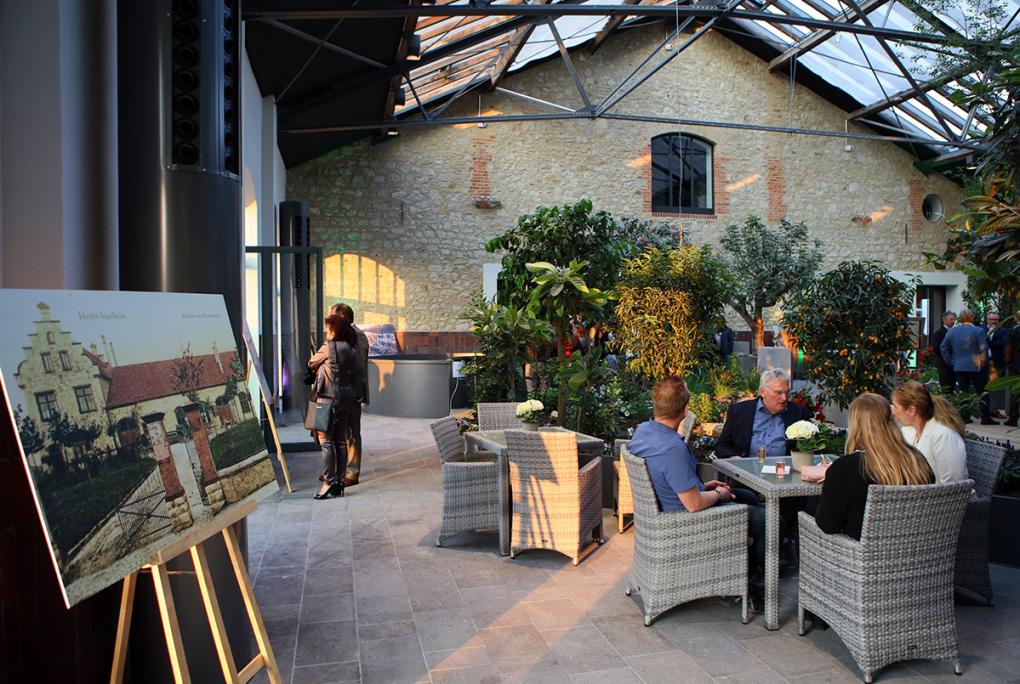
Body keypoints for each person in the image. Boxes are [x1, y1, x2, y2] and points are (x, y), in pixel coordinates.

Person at [628, 377, 766, 597]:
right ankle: (755, 581)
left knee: (746, 496)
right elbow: (693, 504)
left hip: (664, 509)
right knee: (768, 521)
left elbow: (669, 478)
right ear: (685, 409)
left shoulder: (644, 431)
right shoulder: (672, 448)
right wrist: (718, 494)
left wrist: (704, 486)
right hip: (684, 521)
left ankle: (744, 569)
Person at [814, 393, 934, 540]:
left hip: (860, 552)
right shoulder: (917, 460)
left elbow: (828, 525)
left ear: (855, 425)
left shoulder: (846, 468)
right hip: (917, 548)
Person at [308, 313, 362, 500]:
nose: (327, 332)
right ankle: (339, 482)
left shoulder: (328, 347)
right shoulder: (351, 348)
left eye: (329, 329)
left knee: (326, 441)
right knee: (340, 441)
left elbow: (311, 363)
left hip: (328, 397)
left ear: (334, 330)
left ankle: (328, 482)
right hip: (346, 398)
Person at [715, 368, 811, 458]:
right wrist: (734, 459)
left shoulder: (798, 413)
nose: (784, 398)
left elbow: (809, 447)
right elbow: (721, 446)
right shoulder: (739, 411)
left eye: (787, 392)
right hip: (746, 468)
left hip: (783, 468)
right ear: (762, 392)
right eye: (778, 393)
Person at [890, 381, 968, 483]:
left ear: (911, 410)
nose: (892, 411)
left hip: (943, 493)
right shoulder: (908, 430)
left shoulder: (943, 436)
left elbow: (953, 484)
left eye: (895, 406)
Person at [332, 303, 370, 487]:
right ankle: (339, 470)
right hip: (341, 391)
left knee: (352, 432)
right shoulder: (344, 335)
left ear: (342, 317)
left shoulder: (358, 336)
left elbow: (359, 366)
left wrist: (356, 392)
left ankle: (352, 473)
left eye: (333, 317)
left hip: (352, 393)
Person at [940, 309, 995, 425]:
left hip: (959, 365)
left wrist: (950, 361)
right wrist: (983, 362)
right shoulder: (978, 331)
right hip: (976, 365)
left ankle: (964, 416)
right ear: (972, 318)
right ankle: (985, 417)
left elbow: (943, 347)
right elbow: (983, 348)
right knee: (982, 392)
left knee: (963, 392)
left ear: (960, 319)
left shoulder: (952, 331)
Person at [931, 311, 957, 393]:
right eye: (951, 319)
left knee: (952, 384)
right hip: (943, 363)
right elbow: (936, 348)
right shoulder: (939, 333)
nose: (953, 321)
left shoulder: (954, 332)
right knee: (945, 385)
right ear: (944, 320)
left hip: (953, 363)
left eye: (954, 319)